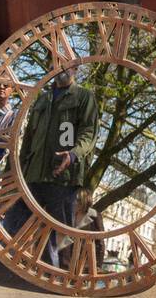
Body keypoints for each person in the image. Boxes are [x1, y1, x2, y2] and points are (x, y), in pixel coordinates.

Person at [12, 68, 98, 268]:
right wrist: (18, 169)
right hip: (32, 175)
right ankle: (12, 269)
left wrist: (74, 154)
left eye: (68, 64)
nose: (63, 69)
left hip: (63, 178)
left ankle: (58, 277)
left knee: (60, 237)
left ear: (76, 69)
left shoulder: (84, 97)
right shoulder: (43, 99)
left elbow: (89, 132)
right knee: (14, 225)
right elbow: (29, 139)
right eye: (58, 63)